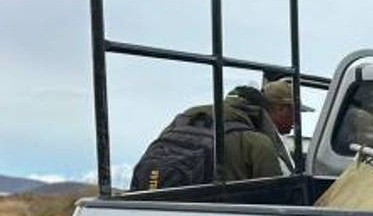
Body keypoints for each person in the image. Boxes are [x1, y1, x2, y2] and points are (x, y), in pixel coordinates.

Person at [131, 77, 307, 190]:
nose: (296, 120)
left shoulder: (185, 120)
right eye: (295, 112)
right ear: (279, 109)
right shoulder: (258, 143)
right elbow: (276, 202)